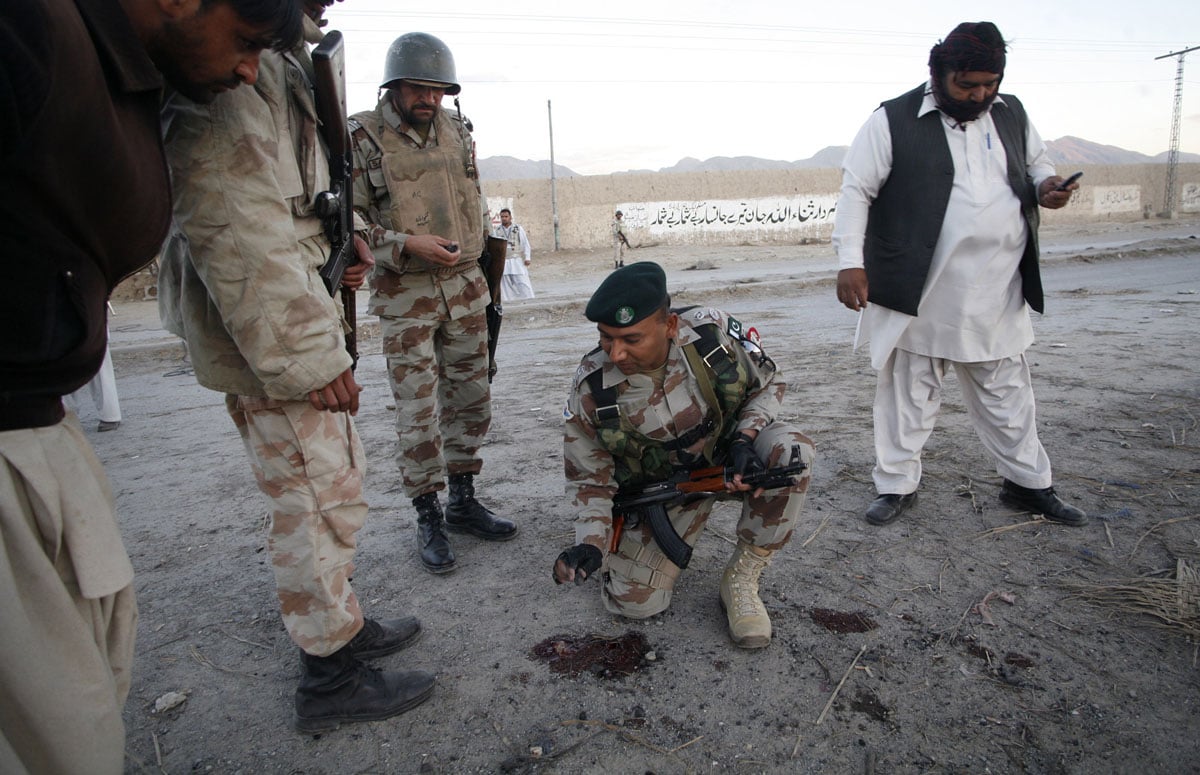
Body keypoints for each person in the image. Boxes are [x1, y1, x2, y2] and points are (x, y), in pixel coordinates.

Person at [0, 0, 302, 770]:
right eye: (244, 40)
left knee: (88, 709)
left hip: (39, 431)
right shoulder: (29, 30)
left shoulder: (121, 65)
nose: (246, 68)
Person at [158, 0, 435, 733]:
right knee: (313, 500)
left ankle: (341, 624)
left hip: (295, 309)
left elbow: (296, 198)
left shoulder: (273, 47)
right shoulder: (226, 58)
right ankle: (330, 678)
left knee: (332, 483)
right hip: (275, 333)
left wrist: (344, 244)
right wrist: (309, 352)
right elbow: (233, 222)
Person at [831, 21, 1087, 528]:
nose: (979, 95)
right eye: (967, 85)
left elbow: (1036, 166)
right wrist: (850, 263)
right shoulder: (893, 118)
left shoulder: (1010, 113)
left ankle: (1028, 485)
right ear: (939, 71)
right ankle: (896, 486)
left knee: (1008, 394)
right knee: (908, 391)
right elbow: (855, 191)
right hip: (921, 287)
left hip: (996, 287)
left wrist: (1048, 187)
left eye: (988, 85)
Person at [553, 262, 815, 649]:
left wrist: (745, 439)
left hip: (731, 459)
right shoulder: (592, 388)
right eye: (606, 338)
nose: (617, 353)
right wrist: (590, 543)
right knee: (634, 605)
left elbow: (769, 382)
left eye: (631, 339)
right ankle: (673, 532)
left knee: (791, 451)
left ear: (670, 326)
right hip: (665, 491)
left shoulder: (711, 335)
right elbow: (591, 480)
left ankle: (742, 579)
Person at [349, 32, 516, 576]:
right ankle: (427, 514)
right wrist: (402, 244)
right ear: (394, 87)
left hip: (467, 287)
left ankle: (463, 500)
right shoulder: (362, 137)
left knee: (471, 397)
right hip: (406, 295)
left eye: (438, 90)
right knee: (418, 411)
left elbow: (475, 200)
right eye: (418, 88)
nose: (429, 99)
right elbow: (344, 223)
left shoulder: (457, 131)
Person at [492, 207, 534, 301]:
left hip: (516, 260)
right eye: (502, 217)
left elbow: (525, 244)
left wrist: (527, 257)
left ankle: (529, 299)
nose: (504, 218)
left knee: (522, 281)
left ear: (510, 217)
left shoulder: (518, 228)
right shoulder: (497, 230)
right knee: (504, 283)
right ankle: (509, 301)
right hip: (504, 261)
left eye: (506, 216)